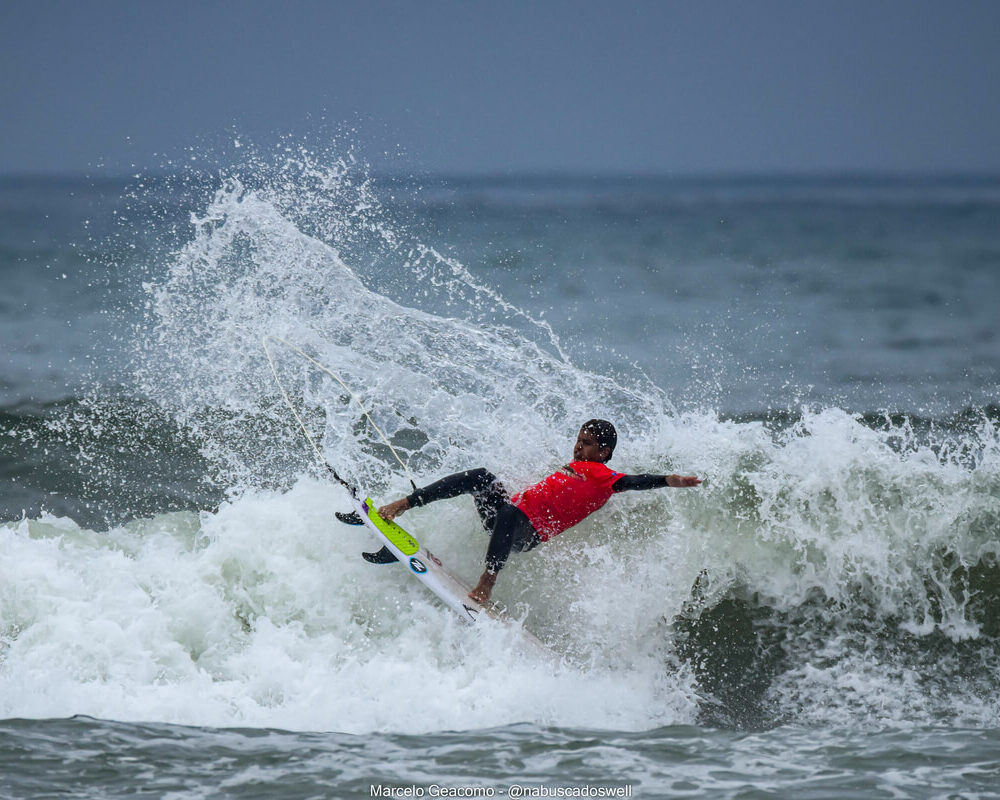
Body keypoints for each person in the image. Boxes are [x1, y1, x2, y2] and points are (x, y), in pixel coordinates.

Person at [372, 419, 701, 604]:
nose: (578, 446)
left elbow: (635, 481)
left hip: (525, 533)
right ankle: (404, 504)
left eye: (586, 443)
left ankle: (487, 584)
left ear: (604, 451)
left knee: (510, 512)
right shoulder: (574, 465)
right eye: (578, 440)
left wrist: (668, 480)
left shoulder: (605, 478)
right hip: (510, 519)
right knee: (481, 477)